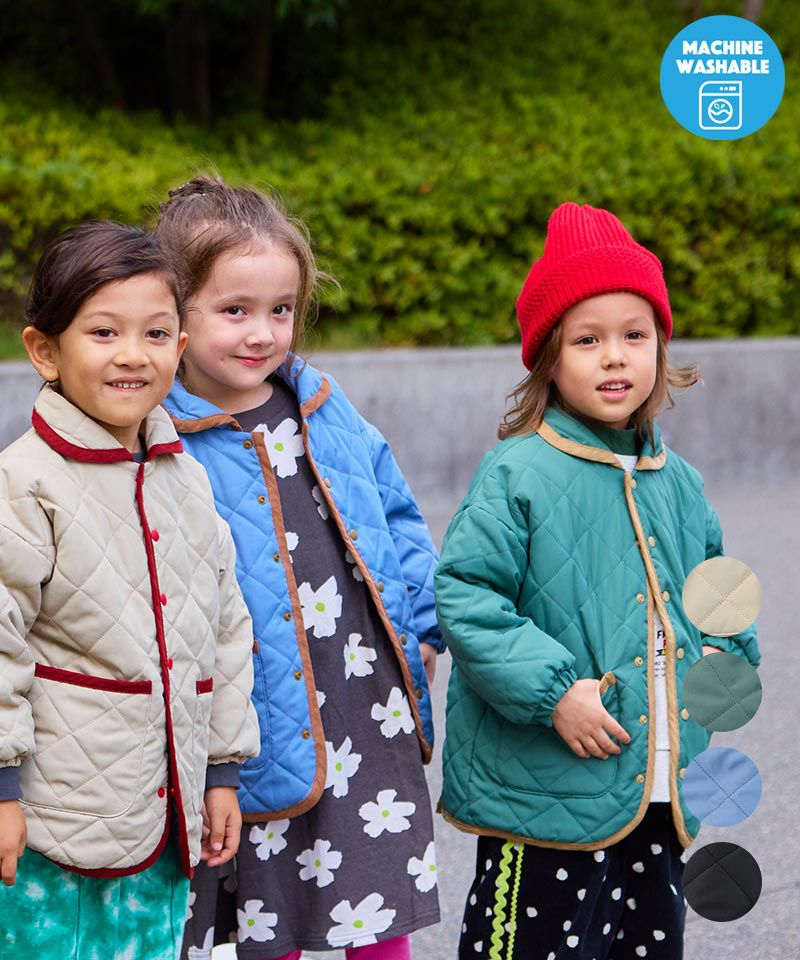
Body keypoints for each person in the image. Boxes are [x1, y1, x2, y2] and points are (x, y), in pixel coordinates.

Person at [435, 203, 761, 960]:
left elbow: (716, 589)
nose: (615, 357)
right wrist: (555, 692)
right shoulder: (518, 471)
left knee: (645, 945)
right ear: (549, 358)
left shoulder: (678, 480)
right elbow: (468, 596)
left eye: (634, 336)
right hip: (547, 792)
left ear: (660, 348)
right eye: (588, 340)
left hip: (659, 789)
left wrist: (727, 658)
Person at [156, 175, 443, 960]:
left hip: (359, 691)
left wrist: (423, 626)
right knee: (266, 900)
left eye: (280, 310)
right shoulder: (162, 435)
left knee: (375, 883)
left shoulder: (318, 401)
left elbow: (394, 511)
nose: (262, 333)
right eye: (234, 311)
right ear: (175, 312)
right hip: (256, 709)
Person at [0, 221, 260, 960]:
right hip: (51, 821)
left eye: (156, 333)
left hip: (162, 816)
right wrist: (2, 791)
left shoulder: (186, 477)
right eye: (104, 331)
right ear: (45, 351)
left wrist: (221, 771)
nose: (132, 354)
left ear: (180, 346)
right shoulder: (25, 484)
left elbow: (225, 629)